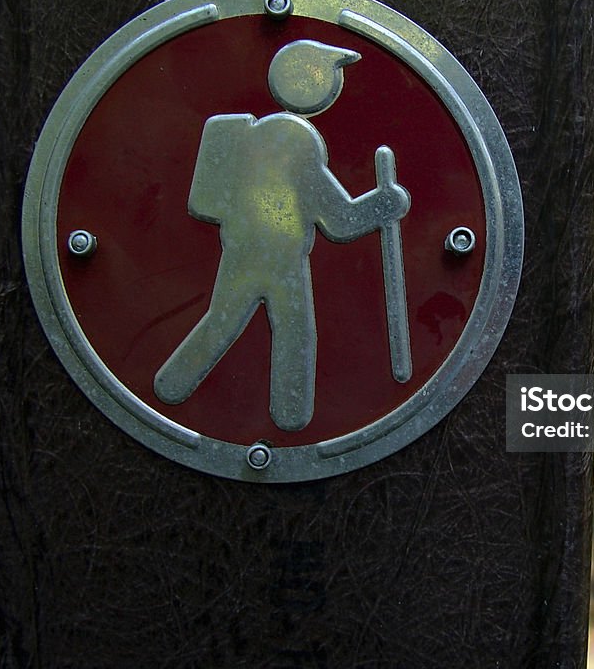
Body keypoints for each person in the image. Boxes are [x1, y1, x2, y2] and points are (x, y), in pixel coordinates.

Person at [154, 40, 410, 432]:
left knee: (222, 322)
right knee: (295, 333)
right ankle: (291, 418)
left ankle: (171, 385)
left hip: (240, 250)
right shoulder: (297, 141)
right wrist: (385, 204)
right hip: (283, 261)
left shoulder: (250, 138)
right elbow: (339, 220)